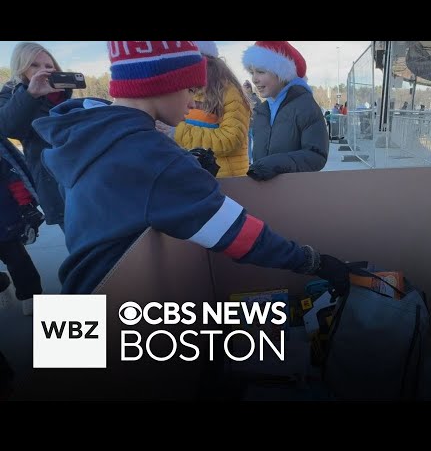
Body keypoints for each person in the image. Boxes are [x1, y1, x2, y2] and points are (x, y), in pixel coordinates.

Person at [32, 41, 349, 297]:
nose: (195, 102)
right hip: (112, 307)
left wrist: (188, 168)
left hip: (73, 301)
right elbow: (238, 233)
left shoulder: (91, 129)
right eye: (190, 89)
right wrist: (312, 261)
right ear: (161, 84)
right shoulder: (152, 157)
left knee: (57, 377)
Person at [0, 42, 71, 231]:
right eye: (34, 65)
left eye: (49, 66)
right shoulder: (12, 94)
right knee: (83, 248)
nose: (44, 71)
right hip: (53, 184)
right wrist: (31, 94)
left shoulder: (65, 95)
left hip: (82, 178)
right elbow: (7, 127)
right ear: (21, 68)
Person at [242, 41, 329, 181]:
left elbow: (317, 155)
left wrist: (276, 164)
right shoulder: (262, 111)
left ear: (281, 73)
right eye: (252, 72)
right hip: (264, 194)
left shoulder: (305, 106)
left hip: (295, 194)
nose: (254, 79)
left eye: (260, 72)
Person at [166, 41, 251, 178]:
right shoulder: (187, 92)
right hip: (198, 176)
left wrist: (176, 132)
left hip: (227, 180)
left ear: (207, 63)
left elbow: (230, 140)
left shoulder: (230, 93)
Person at [0, 144, 45, 316]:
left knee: (17, 260)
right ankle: (3, 283)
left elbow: (15, 181)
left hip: (4, 220)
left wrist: (26, 205)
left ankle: (30, 295)